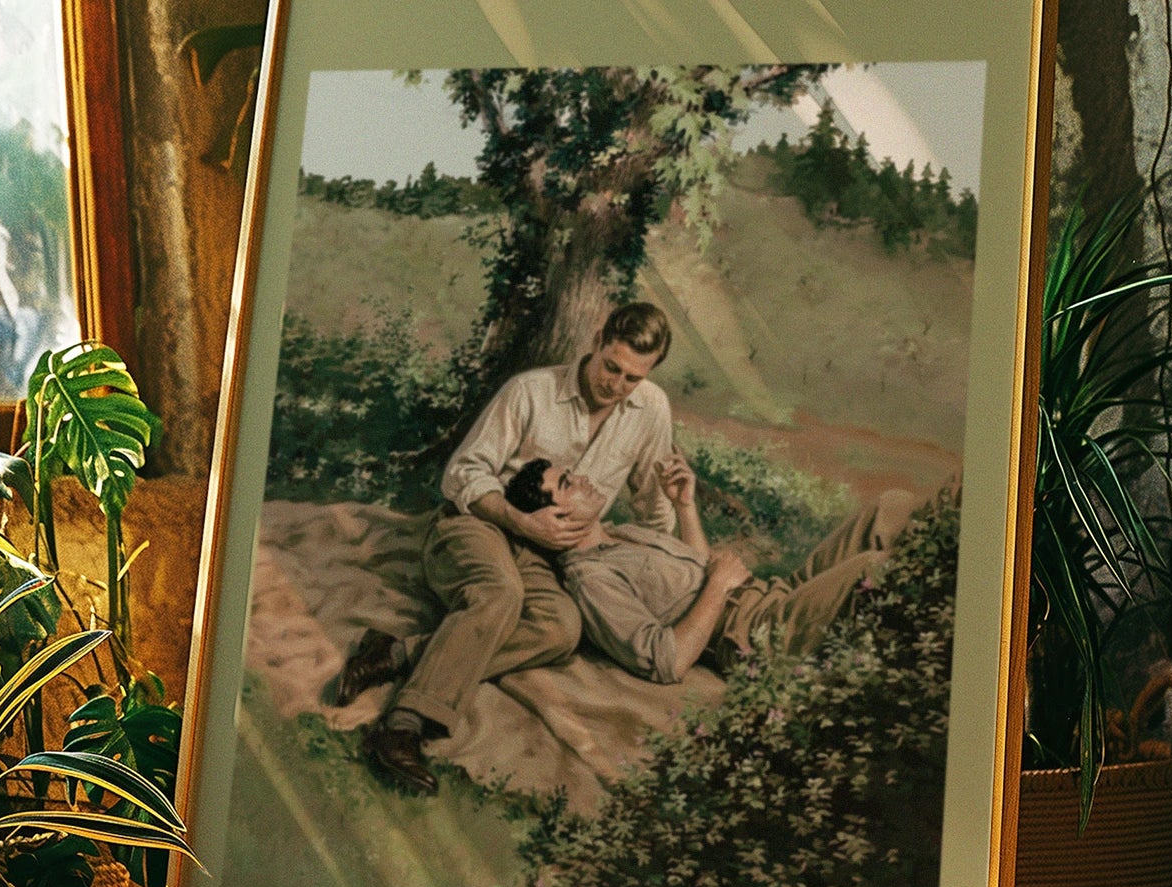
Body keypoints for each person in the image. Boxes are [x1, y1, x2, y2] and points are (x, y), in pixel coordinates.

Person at [335, 301, 679, 792]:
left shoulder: (651, 410)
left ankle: (398, 654)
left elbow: (652, 509)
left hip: (548, 557)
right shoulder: (531, 391)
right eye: (612, 367)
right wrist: (519, 519)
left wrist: (667, 547)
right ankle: (400, 727)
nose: (616, 386)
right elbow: (463, 473)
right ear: (597, 339)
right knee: (500, 595)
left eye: (632, 378)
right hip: (480, 523)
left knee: (562, 628)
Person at [501, 451, 915, 684]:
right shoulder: (590, 578)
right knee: (875, 566)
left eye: (572, 473)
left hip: (774, 594)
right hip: (755, 634)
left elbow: (698, 567)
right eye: (567, 484)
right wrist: (719, 587)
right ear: (551, 516)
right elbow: (666, 661)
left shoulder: (619, 533)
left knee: (892, 507)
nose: (584, 480)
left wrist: (685, 505)